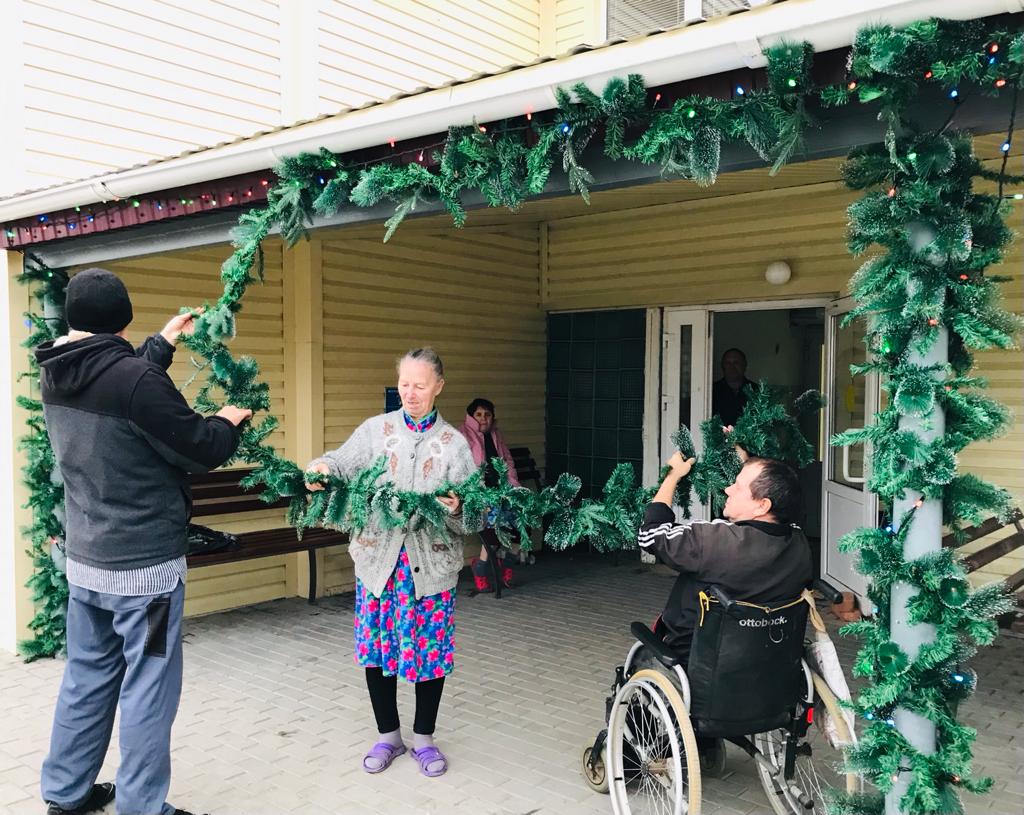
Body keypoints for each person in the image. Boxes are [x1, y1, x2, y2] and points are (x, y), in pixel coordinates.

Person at [36, 268, 251, 815]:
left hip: (87, 564)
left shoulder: (57, 371)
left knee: (87, 676)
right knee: (149, 686)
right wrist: (228, 421)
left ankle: (66, 793)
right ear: (122, 321)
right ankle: (142, 807)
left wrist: (163, 343)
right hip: (144, 577)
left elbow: (117, 385)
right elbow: (198, 446)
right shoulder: (133, 382)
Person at [305, 347, 476, 778]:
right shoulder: (376, 431)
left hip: (430, 571)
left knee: (429, 655)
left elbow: (478, 511)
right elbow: (341, 462)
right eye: (404, 384)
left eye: (420, 385)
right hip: (378, 567)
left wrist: (459, 508)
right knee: (377, 651)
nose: (411, 393)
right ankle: (388, 736)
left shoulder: (454, 445)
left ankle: (424, 739)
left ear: (438, 386)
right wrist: (321, 467)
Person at [636, 447, 813, 771]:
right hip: (767, 673)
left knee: (641, 655)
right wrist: (747, 460)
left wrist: (673, 476)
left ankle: (642, 750)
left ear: (762, 505)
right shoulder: (799, 545)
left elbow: (650, 535)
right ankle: (705, 746)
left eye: (738, 485)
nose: (728, 489)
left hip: (696, 668)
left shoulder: (715, 543)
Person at [458, 398, 529, 590]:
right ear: (471, 417)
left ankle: (507, 566)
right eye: (478, 414)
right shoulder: (463, 435)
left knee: (521, 519)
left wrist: (515, 489)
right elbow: (462, 469)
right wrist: (479, 491)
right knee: (495, 520)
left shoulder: (496, 435)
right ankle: (480, 568)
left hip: (502, 491)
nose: (483, 418)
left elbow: (508, 462)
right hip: (478, 493)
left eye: (487, 414)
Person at [711, 347, 754, 426]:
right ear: (722, 366)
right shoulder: (711, 391)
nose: (732, 367)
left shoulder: (757, 391)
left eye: (736, 363)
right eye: (728, 363)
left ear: (744, 365)